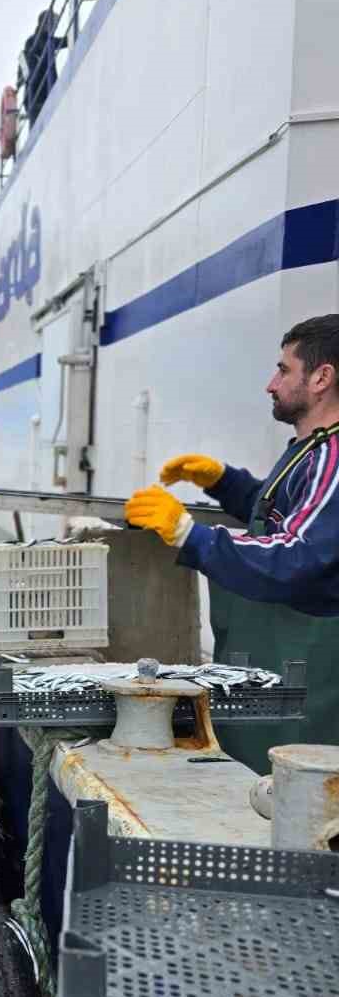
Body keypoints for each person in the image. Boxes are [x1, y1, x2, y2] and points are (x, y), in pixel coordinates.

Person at [125, 315, 339, 769]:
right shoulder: (312, 449)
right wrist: (225, 483)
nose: (270, 383)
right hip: (276, 673)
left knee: (290, 798)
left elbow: (297, 556)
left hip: (308, 680)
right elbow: (283, 516)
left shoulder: (334, 458)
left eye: (284, 370)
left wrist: (190, 535)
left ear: (322, 378)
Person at [21, 10, 67, 126]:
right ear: (46, 23)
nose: (56, 26)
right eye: (54, 23)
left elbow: (60, 42)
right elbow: (58, 43)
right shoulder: (36, 40)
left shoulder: (43, 40)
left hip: (39, 95)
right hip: (38, 96)